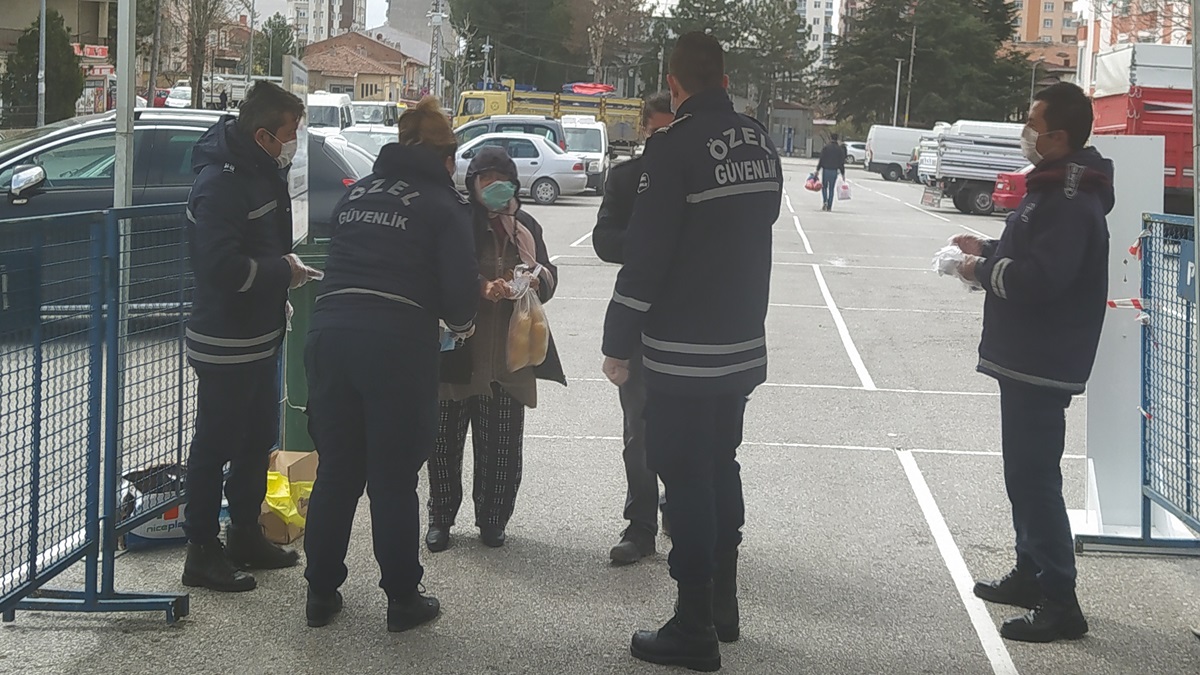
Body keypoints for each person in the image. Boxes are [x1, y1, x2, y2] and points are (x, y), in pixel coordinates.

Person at [601, 32, 782, 671]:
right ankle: (723, 607)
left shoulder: (672, 150)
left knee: (684, 482)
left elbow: (646, 258)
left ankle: (693, 625)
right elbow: (760, 221)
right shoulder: (760, 141)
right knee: (722, 465)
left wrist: (616, 338)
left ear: (673, 85)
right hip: (739, 342)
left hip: (682, 350)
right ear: (723, 76)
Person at [302, 97, 480, 631]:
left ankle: (320, 594)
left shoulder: (359, 194)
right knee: (393, 479)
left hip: (330, 335)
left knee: (336, 470)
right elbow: (460, 296)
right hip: (395, 346)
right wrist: (463, 328)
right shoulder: (443, 205)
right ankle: (403, 598)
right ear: (447, 155)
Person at [956, 81, 1112, 643]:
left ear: (1060, 137)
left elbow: (1044, 279)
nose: (1026, 132)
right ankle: (1030, 571)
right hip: (1025, 353)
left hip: (1042, 358)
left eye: (1033, 124)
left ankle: (1059, 597)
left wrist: (977, 273)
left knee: (1034, 476)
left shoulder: (1070, 197)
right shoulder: (1050, 188)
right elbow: (1026, 254)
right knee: (1022, 476)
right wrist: (984, 250)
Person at [182, 82, 312, 592]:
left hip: (259, 336)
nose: (293, 142)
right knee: (216, 443)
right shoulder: (220, 183)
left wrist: (282, 272)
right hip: (225, 341)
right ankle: (201, 550)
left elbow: (262, 246)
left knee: (257, 440)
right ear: (262, 134)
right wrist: (281, 272)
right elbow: (219, 266)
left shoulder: (260, 171)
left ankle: (243, 534)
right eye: (288, 134)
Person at [424, 146, 565, 553]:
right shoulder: (455, 222)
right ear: (472, 183)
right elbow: (438, 275)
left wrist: (537, 281)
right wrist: (480, 287)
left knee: (501, 449)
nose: (494, 188)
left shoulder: (526, 226)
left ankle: (493, 520)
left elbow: (548, 274)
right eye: (485, 180)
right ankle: (440, 518)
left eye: (501, 180)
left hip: (510, 358)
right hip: (457, 353)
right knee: (444, 443)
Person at [593, 91, 676, 566]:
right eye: (659, 130)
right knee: (638, 432)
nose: (666, 139)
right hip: (640, 320)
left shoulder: (694, 180)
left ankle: (679, 513)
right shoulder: (626, 179)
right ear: (645, 129)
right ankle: (641, 524)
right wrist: (650, 245)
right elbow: (604, 240)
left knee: (687, 431)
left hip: (688, 321)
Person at [816, 133, 846, 212]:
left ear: (830, 139)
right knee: (831, 189)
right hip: (834, 171)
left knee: (824, 187)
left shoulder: (826, 148)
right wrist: (843, 173)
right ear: (837, 139)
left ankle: (825, 201)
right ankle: (829, 206)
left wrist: (817, 170)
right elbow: (841, 162)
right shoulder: (839, 150)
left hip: (826, 170)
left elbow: (821, 159)